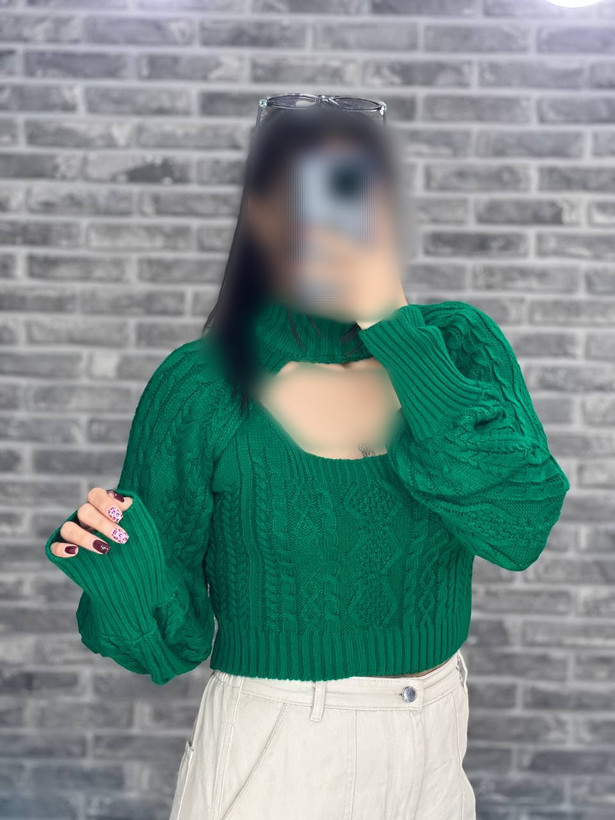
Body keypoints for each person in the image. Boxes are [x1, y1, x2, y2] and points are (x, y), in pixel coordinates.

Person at [45, 96, 569, 820]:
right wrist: (124, 580)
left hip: (436, 748)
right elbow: (170, 647)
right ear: (260, 216)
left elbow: (518, 528)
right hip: (279, 756)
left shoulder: (457, 345)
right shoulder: (202, 386)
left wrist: (395, 328)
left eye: (351, 190)